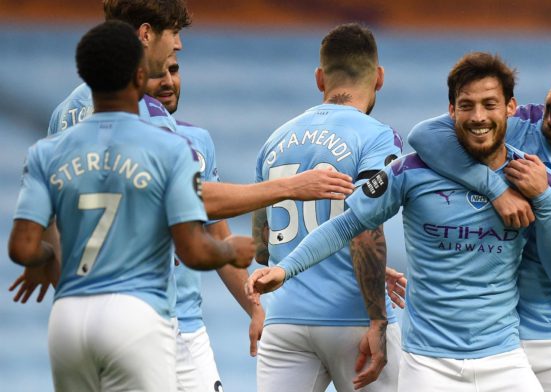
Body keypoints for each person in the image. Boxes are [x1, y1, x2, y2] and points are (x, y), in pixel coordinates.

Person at [248, 52, 551, 392]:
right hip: (428, 367)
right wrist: (286, 269)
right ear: (451, 111)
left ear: (511, 107)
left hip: (505, 361)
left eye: (489, 104)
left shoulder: (535, 179)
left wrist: (543, 200)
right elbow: (348, 225)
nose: (478, 116)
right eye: (466, 105)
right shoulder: (411, 171)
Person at [10, 0, 353, 305]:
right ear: (146, 34)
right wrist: (290, 187)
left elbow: (49, 217)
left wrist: (52, 267)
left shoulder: (67, 110)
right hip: (140, 305)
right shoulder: (140, 109)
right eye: (173, 34)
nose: (179, 44)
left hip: (76, 304)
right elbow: (194, 201)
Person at [7, 21, 251, 391]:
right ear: (139, 78)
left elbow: (22, 247)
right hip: (137, 313)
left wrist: (43, 260)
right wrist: (229, 249)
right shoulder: (168, 147)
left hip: (69, 318)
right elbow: (194, 250)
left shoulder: (49, 151)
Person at [407, 48, 551, 391]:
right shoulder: (512, 123)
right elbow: (423, 135)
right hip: (491, 339)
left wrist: (542, 198)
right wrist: (495, 188)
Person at [251, 23, 403, 392]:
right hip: (351, 318)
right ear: (379, 77)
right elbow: (366, 229)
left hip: (284, 322)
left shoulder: (275, 140)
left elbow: (262, 246)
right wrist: (378, 319)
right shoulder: (376, 136)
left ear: (320, 78)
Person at [146, 53, 264, 391]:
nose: (168, 81)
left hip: (189, 326)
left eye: (174, 69)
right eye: (158, 74)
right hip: (139, 322)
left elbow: (217, 231)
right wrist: (286, 189)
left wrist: (254, 307)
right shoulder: (122, 144)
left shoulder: (198, 142)